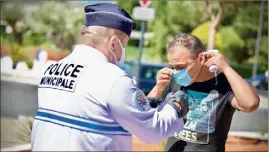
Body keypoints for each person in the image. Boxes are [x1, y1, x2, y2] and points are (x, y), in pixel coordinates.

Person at [31, 3, 188, 151]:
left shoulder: (51, 69)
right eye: (123, 46)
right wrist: (175, 108)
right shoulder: (114, 79)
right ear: (113, 43)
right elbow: (153, 130)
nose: (122, 52)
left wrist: (151, 100)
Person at [147, 33, 260, 152]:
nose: (175, 72)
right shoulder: (172, 79)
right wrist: (158, 87)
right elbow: (144, 114)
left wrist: (226, 68)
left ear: (200, 59)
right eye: (172, 66)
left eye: (181, 67)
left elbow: (250, 104)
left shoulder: (223, 83)